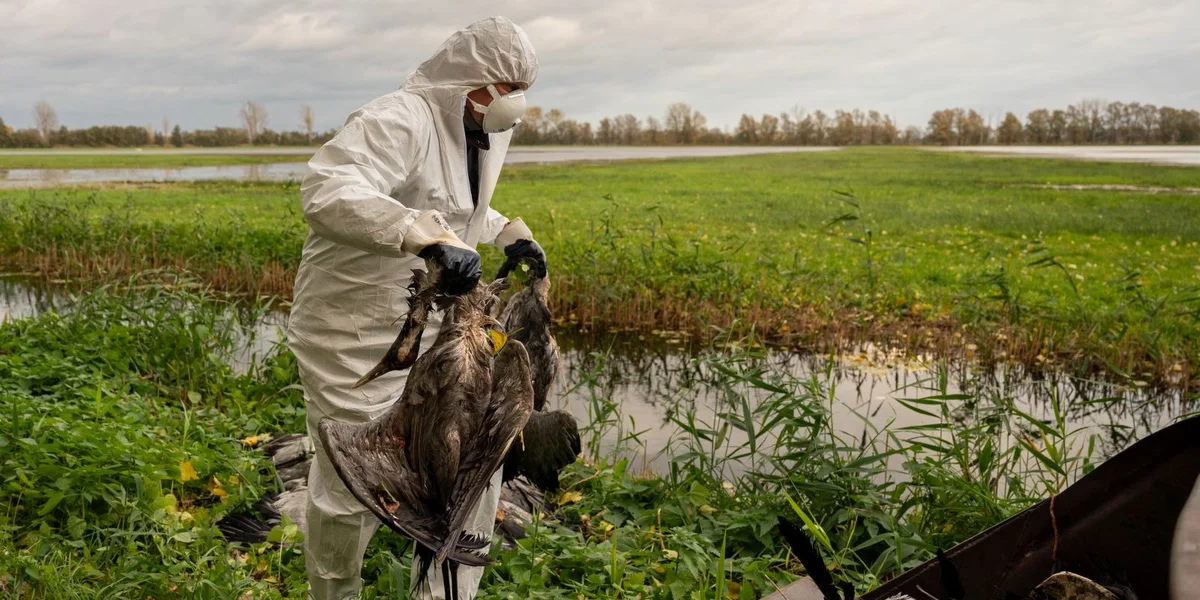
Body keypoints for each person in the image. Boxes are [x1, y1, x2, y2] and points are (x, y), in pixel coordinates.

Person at [287, 16, 544, 600]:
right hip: (348, 331)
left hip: (432, 332)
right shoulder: (398, 119)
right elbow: (328, 189)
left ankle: (443, 593)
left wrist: (507, 235)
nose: (511, 105)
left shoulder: (481, 129)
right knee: (353, 479)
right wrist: (414, 234)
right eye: (503, 90)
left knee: (473, 464)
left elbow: (454, 205)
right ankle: (334, 592)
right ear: (466, 80)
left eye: (519, 91)